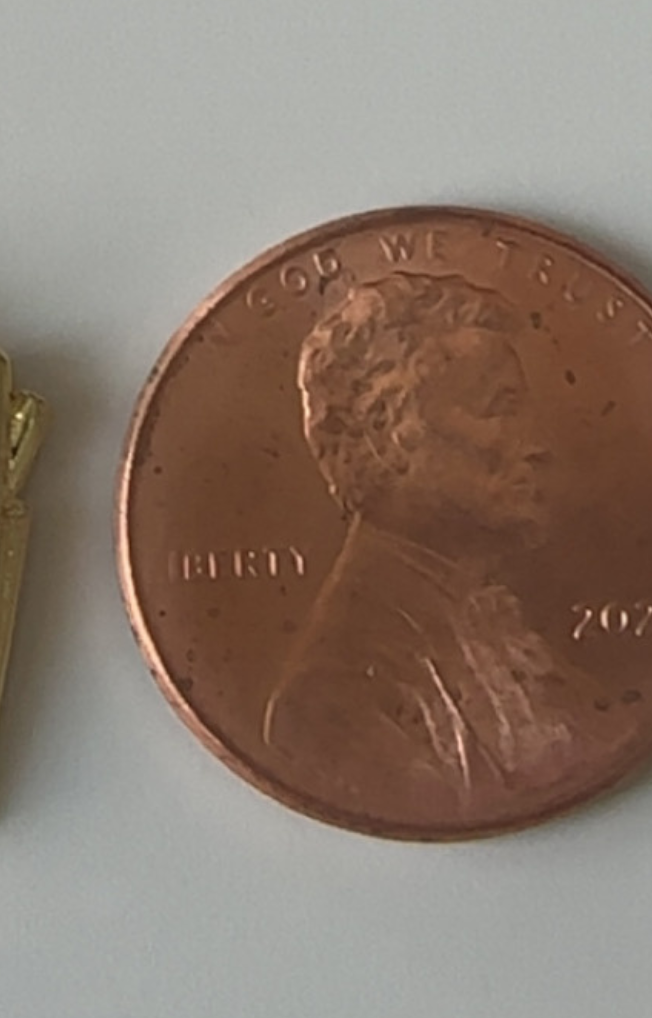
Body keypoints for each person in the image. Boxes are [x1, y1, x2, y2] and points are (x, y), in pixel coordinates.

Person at [263, 272, 632, 830]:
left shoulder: (509, 640)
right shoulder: (329, 702)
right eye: (499, 408)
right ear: (386, 433)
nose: (536, 447)